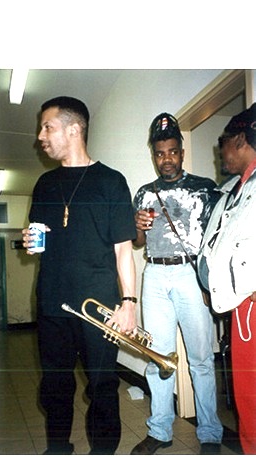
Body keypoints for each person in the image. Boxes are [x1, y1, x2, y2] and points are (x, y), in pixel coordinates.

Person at [21, 96, 137, 454]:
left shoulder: (111, 182)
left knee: (102, 385)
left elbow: (123, 250)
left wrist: (130, 302)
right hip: (52, 302)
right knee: (54, 387)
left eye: (48, 127)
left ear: (74, 130)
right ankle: (58, 447)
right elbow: (41, 240)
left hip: (98, 306)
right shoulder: (44, 184)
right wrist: (31, 242)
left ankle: (102, 451)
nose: (41, 135)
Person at [130, 113, 222, 454]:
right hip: (154, 275)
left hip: (189, 275)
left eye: (172, 151)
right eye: (159, 153)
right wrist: (138, 225)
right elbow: (138, 243)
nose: (166, 159)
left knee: (200, 360)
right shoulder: (143, 193)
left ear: (181, 152)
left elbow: (217, 238)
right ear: (153, 155)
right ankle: (160, 430)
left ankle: (210, 433)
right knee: (158, 357)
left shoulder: (205, 188)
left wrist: (207, 282)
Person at [198, 103, 256, 454]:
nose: (221, 154)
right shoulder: (230, 190)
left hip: (251, 302)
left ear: (240, 140)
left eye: (223, 144)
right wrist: (209, 283)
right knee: (246, 392)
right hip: (238, 306)